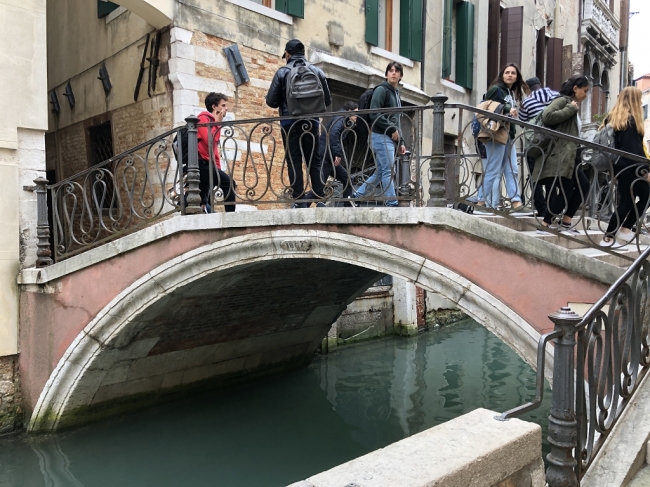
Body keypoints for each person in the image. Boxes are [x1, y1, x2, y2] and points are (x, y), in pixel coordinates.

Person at [265, 39, 331, 208]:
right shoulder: (317, 71)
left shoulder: (283, 72)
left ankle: (299, 201)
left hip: (290, 123)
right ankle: (320, 199)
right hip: (312, 123)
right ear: (303, 53)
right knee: (314, 161)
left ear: (287, 54)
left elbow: (271, 101)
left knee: (294, 161)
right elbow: (327, 100)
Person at [532, 76, 591, 234]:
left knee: (582, 186)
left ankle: (564, 222)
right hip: (561, 155)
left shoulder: (572, 105)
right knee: (568, 189)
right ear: (575, 88)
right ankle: (546, 224)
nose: (586, 94)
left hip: (571, 155)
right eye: (585, 90)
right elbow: (547, 116)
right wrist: (570, 109)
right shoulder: (563, 101)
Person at [600, 87, 650, 246]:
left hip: (622, 166)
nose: (641, 102)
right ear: (634, 100)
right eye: (639, 98)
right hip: (633, 167)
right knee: (628, 202)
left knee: (642, 197)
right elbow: (633, 150)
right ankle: (609, 237)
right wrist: (645, 171)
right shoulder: (630, 121)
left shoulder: (615, 119)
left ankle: (624, 229)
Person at [352, 62, 407, 207]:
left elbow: (397, 120)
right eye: (390, 70)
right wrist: (391, 129)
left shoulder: (396, 94)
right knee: (389, 170)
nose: (393, 73)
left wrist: (401, 142)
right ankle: (392, 202)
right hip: (379, 136)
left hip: (388, 137)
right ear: (386, 74)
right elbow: (374, 114)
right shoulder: (381, 90)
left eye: (396, 71)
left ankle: (357, 195)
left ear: (401, 75)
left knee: (381, 172)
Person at [476, 63, 529, 210]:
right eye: (507, 72)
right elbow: (486, 107)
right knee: (493, 169)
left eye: (513, 73)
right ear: (502, 75)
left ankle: (516, 202)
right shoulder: (496, 89)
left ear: (517, 77)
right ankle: (480, 201)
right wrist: (507, 108)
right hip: (497, 134)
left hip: (509, 135)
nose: (510, 75)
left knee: (512, 169)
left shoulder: (510, 92)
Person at [520, 77, 560, 216]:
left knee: (534, 176)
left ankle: (541, 208)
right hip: (554, 143)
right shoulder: (556, 96)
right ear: (540, 85)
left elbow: (522, 122)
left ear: (527, 89)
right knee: (551, 176)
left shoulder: (526, 102)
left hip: (534, 144)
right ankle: (552, 209)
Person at [197, 92, 236, 213]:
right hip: (201, 164)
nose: (226, 108)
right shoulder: (203, 119)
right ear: (214, 107)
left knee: (204, 199)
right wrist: (217, 123)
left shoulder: (211, 121)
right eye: (223, 105)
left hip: (208, 165)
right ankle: (230, 218)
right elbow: (210, 141)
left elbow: (213, 150)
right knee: (229, 184)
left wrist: (217, 168)